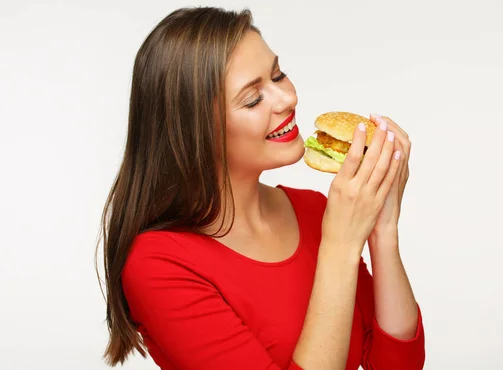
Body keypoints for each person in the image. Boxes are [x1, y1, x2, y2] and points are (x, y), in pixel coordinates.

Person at [97, 6, 425, 370]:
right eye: (253, 99)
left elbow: (396, 364)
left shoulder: (315, 211)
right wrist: (342, 245)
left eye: (278, 75)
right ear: (197, 132)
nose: (287, 99)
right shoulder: (157, 263)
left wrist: (383, 230)